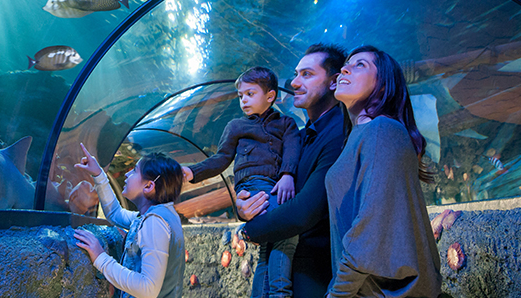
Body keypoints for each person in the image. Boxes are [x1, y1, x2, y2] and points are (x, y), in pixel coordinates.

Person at [324, 45, 441, 297]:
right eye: (346, 64)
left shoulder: (382, 129)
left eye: (360, 65)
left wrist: (338, 292)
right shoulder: (357, 137)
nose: (345, 69)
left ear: (383, 85)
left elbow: (371, 225)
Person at [235, 43, 347, 298]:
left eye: (307, 74)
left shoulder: (340, 133)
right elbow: (264, 179)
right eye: (296, 74)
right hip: (282, 268)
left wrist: (248, 230)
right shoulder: (299, 136)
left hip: (315, 276)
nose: (294, 82)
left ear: (334, 81)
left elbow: (305, 211)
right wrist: (243, 206)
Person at [181, 66, 301, 298]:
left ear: (270, 96)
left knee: (269, 247)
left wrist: (287, 174)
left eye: (250, 94)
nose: (243, 100)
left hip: (276, 186)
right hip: (254, 186)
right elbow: (221, 158)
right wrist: (193, 172)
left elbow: (292, 149)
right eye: (240, 95)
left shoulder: (286, 124)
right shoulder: (236, 126)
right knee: (287, 231)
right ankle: (280, 293)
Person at [73, 143, 185, 298]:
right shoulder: (159, 215)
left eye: (134, 171)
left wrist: (100, 257)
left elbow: (148, 289)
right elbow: (115, 213)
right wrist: (98, 175)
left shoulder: (155, 222)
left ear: (148, 186)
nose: (127, 174)